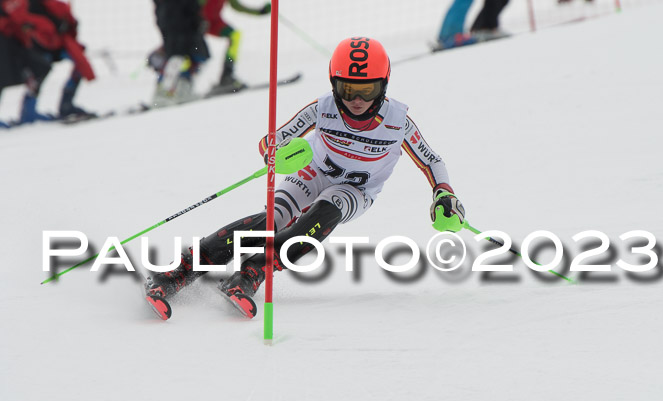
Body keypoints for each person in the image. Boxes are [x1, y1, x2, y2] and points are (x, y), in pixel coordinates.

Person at [144, 37, 468, 319]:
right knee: (273, 220)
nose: (357, 100)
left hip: (356, 189)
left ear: (383, 85)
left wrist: (444, 194)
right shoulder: (323, 109)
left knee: (327, 211)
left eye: (367, 89)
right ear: (334, 84)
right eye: (348, 89)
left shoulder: (399, 123)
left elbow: (431, 160)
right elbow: (274, 139)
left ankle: (254, 271)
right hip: (312, 172)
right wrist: (274, 151)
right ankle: (181, 269)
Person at [0, 0, 95, 124]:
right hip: (26, 45)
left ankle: (61, 106)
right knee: (37, 71)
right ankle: (30, 112)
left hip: (46, 42)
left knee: (46, 69)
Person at [201, 0, 271, 94]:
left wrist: (259, 11)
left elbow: (236, 6)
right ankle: (182, 81)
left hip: (214, 22)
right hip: (196, 21)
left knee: (235, 35)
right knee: (193, 49)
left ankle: (227, 75)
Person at [151, 0, 210, 107]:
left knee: (177, 56)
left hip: (168, 18)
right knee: (187, 57)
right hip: (183, 22)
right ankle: (177, 91)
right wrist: (198, 20)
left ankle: (163, 92)